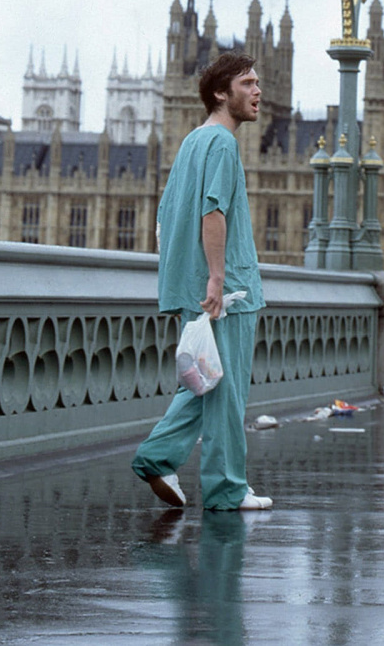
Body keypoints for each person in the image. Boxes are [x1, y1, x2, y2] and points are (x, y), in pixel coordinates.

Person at [131, 53, 272, 511]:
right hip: (226, 291)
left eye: (258, 83)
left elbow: (168, 214)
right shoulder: (224, 145)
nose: (257, 92)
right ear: (220, 93)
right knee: (226, 391)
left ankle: (157, 457)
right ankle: (227, 489)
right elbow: (214, 211)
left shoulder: (192, 142)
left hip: (195, 286)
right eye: (247, 83)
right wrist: (216, 277)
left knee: (204, 380)